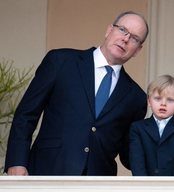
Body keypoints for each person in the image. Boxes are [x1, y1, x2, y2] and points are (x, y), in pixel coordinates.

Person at [5, 11, 149, 176]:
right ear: (109, 30)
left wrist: (164, 149)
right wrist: (17, 161)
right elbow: (26, 114)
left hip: (98, 186)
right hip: (47, 173)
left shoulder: (136, 98)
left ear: (138, 50)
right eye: (123, 30)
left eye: (134, 38)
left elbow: (128, 153)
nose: (125, 39)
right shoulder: (60, 61)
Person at [129, 74, 174, 176]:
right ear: (149, 101)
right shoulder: (138, 128)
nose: (163, 104)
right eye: (157, 98)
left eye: (170, 100)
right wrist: (143, 187)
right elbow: (137, 162)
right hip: (145, 187)